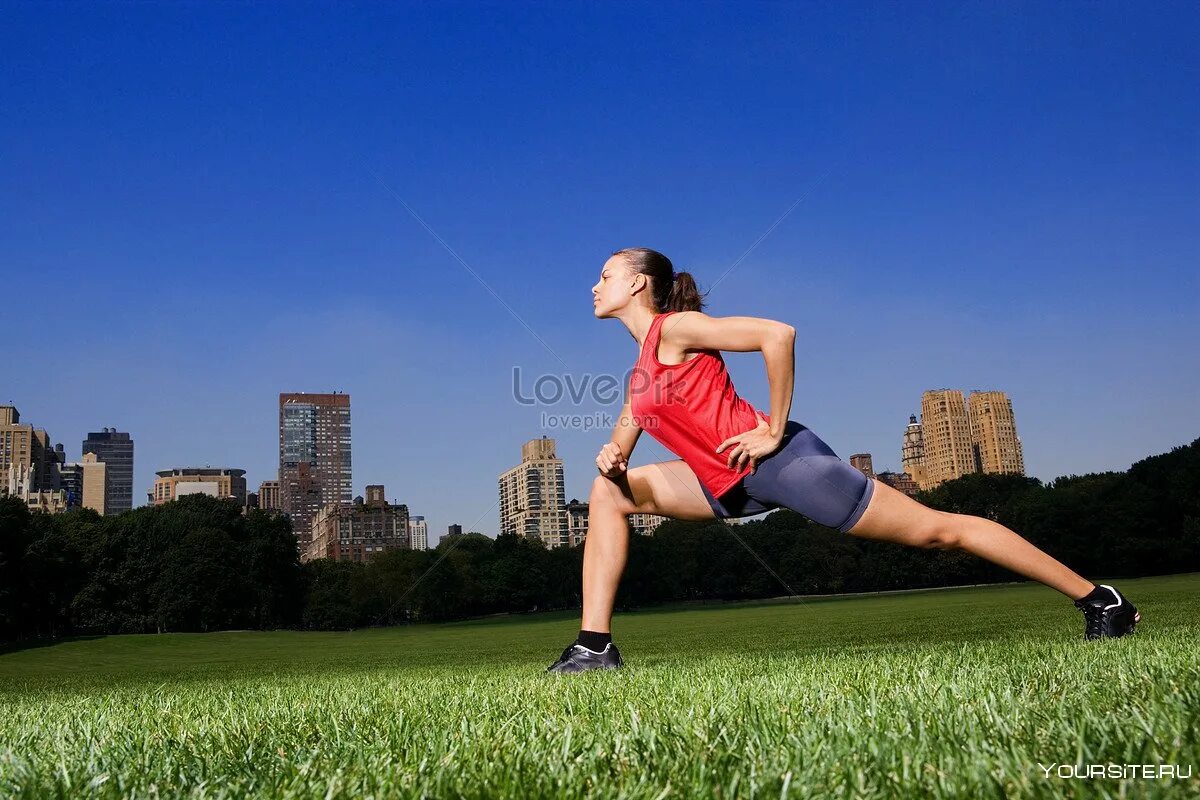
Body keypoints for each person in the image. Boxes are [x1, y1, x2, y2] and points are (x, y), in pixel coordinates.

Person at [546, 247, 1140, 674]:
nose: (593, 286)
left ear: (638, 285)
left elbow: (778, 335)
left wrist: (772, 429)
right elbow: (624, 437)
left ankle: (1101, 601)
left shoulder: (677, 327)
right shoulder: (643, 370)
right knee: (608, 494)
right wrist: (614, 457)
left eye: (604, 275)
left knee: (939, 532)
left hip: (782, 465)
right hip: (720, 483)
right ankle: (595, 646)